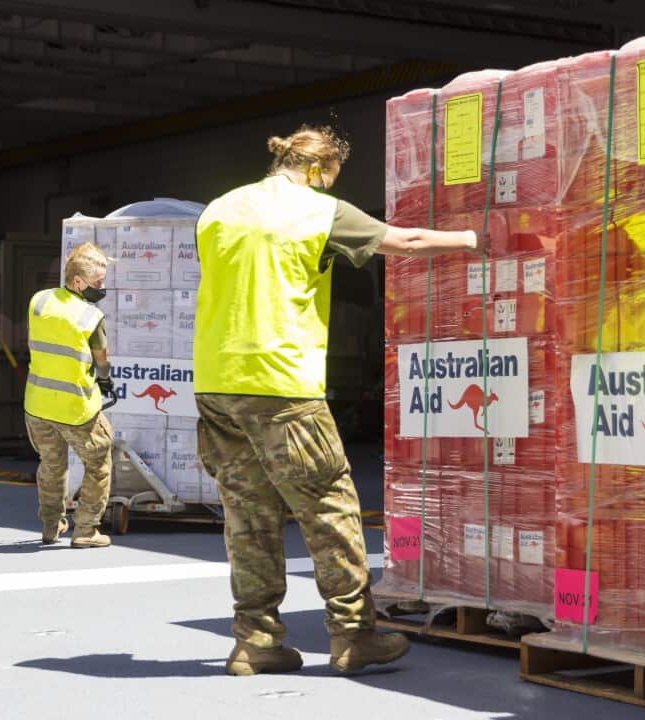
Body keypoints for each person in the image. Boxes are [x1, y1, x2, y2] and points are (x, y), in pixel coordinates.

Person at [194, 124, 488, 676]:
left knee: (248, 514)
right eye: (329, 179)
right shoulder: (313, 209)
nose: (329, 189)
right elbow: (406, 242)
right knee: (330, 507)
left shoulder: (219, 209)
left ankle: (254, 641)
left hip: (216, 383)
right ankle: (353, 635)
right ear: (314, 171)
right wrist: (477, 239)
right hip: (280, 383)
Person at [24, 242, 115, 549]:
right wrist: (105, 381)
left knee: (51, 465)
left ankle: (51, 526)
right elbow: (102, 360)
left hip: (37, 405)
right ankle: (87, 530)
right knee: (99, 462)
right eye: (98, 282)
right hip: (75, 408)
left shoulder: (39, 301)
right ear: (79, 281)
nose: (102, 288)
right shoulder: (91, 316)